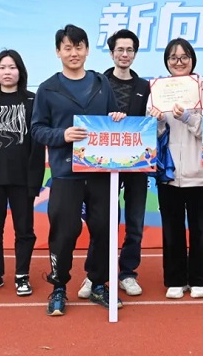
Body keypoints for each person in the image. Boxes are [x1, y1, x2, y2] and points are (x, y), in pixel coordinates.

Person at [31, 24, 126, 316]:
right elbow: (37, 129)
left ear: (87, 50)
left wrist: (117, 117)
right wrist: (62, 135)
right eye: (68, 48)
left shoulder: (101, 83)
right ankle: (59, 287)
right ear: (58, 52)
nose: (74, 53)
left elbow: (112, 119)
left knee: (105, 229)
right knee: (64, 232)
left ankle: (98, 283)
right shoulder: (48, 88)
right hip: (65, 173)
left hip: (100, 173)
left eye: (79, 47)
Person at [77, 29, 151, 299]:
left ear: (135, 54)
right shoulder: (96, 82)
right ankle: (94, 275)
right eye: (120, 49)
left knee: (135, 221)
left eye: (130, 50)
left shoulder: (144, 87)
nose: (125, 54)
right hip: (103, 162)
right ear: (111, 53)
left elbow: (149, 123)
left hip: (136, 163)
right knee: (102, 222)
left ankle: (128, 273)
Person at [0, 50, 45, 297]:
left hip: (23, 179)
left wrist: (35, 180)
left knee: (24, 230)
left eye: (12, 67)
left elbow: (37, 145)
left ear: (20, 71)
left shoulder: (33, 102)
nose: (7, 72)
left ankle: (22, 275)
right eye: (2, 67)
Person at [148, 38, 203, 300]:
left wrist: (188, 117)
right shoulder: (158, 90)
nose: (179, 62)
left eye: (184, 57)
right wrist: (158, 122)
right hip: (169, 174)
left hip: (201, 174)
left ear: (192, 60)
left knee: (200, 230)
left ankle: (199, 280)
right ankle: (175, 279)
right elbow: (151, 135)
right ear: (166, 61)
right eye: (173, 57)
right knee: (172, 230)